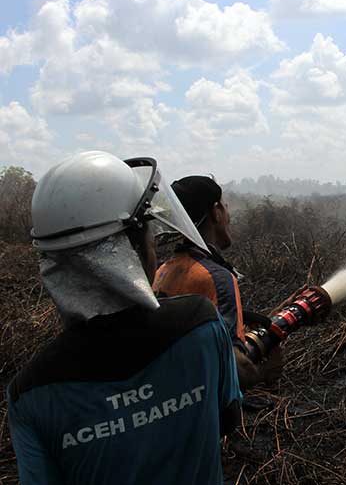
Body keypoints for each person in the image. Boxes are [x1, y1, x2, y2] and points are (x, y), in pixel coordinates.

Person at [7, 151, 242, 484]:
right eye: (148, 237)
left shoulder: (28, 393)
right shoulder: (199, 324)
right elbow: (226, 420)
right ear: (130, 250)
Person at [152, 176, 285, 390]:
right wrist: (264, 372)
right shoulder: (217, 277)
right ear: (215, 212)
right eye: (224, 205)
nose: (228, 214)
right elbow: (232, 368)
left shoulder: (163, 270)